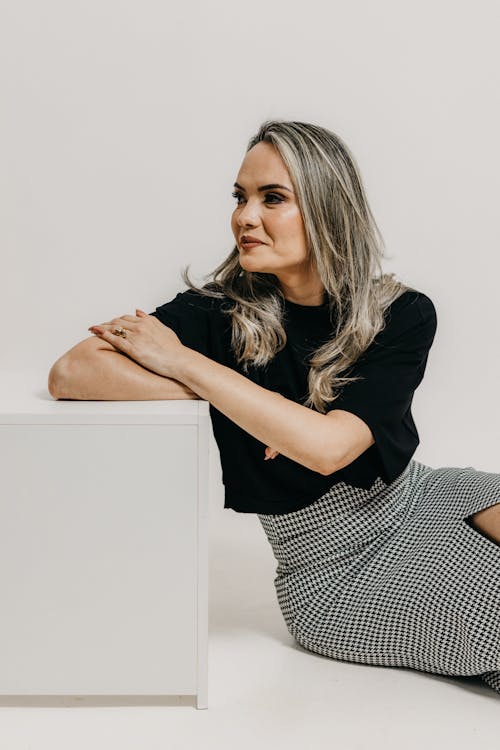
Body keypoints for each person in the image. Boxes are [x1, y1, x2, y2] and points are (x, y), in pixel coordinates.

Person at [49, 119, 500, 696]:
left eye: (272, 198)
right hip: (336, 572)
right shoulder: (217, 314)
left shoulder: (400, 311)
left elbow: (329, 445)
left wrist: (201, 374)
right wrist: (236, 395)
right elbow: (73, 370)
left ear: (326, 207)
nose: (244, 216)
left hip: (417, 495)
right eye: (240, 197)